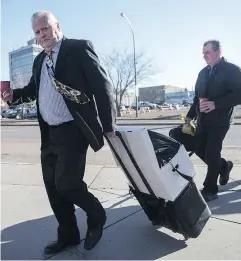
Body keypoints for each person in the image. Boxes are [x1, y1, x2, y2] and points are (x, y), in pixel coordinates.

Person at [1, 11, 117, 254]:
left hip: (74, 130)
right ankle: (68, 235)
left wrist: (109, 125)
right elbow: (34, 90)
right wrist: (12, 98)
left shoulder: (78, 48)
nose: (42, 35)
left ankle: (97, 213)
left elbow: (102, 85)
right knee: (53, 189)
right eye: (37, 32)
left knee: (67, 183)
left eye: (45, 29)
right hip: (49, 134)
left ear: (57, 26)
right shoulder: (39, 61)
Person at [170, 40, 241, 202]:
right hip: (202, 120)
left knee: (212, 152)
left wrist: (216, 104)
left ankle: (210, 189)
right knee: (199, 148)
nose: (204, 56)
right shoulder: (202, 73)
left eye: (207, 52)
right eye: (203, 53)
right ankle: (224, 166)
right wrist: (189, 116)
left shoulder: (232, 70)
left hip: (220, 121)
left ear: (218, 52)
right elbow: (197, 98)